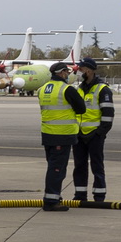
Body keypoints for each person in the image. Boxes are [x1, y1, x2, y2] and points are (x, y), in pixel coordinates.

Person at [36, 61, 86, 211]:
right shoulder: (66, 89)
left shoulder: (42, 89)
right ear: (62, 72)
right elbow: (81, 108)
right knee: (57, 169)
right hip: (62, 134)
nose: (68, 75)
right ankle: (51, 200)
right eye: (67, 72)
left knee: (52, 166)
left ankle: (54, 196)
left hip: (47, 133)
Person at [72, 56, 114, 202]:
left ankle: (99, 196)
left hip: (94, 135)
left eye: (81, 69)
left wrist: (100, 133)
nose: (79, 71)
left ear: (89, 70)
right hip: (79, 134)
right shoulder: (79, 89)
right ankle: (80, 195)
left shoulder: (103, 89)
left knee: (97, 166)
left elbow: (108, 115)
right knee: (79, 166)